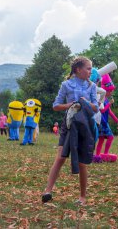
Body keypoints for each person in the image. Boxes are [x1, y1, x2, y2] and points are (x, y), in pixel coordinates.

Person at [42, 56, 98, 205]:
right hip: (68, 125)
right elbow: (56, 105)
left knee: (81, 162)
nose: (90, 71)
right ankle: (47, 191)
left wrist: (85, 103)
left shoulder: (92, 86)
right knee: (60, 158)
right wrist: (71, 105)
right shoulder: (66, 85)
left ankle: (82, 197)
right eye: (88, 68)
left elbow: (96, 108)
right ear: (78, 69)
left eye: (91, 69)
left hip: (85, 126)